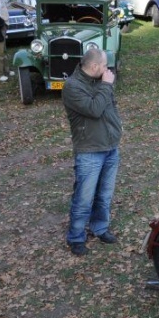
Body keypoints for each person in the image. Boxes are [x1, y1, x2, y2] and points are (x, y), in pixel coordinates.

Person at [62, 48, 121, 256]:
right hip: (89, 151)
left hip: (110, 147)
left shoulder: (100, 81)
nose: (107, 70)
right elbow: (95, 109)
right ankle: (76, 236)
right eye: (104, 66)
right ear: (95, 66)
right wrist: (106, 85)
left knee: (104, 195)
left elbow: (110, 108)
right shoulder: (72, 87)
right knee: (84, 198)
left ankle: (100, 228)